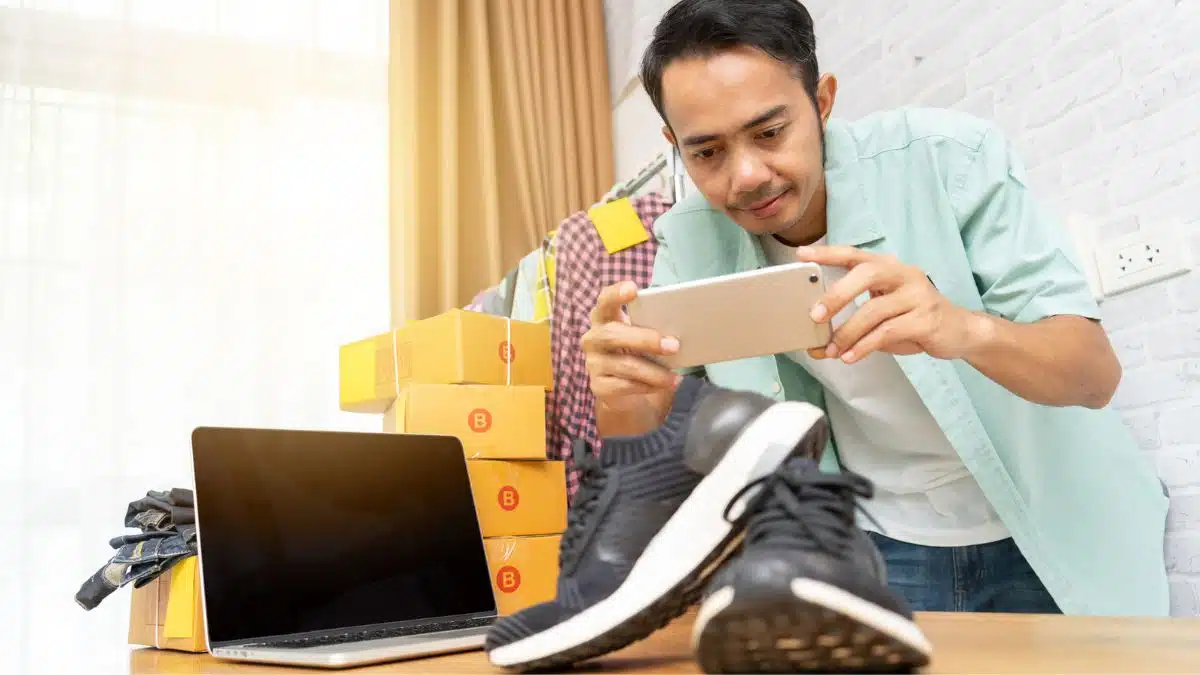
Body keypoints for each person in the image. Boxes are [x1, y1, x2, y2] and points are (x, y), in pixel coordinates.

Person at [582, 0, 1169, 616]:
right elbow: (646, 451)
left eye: (770, 133)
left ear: (823, 101)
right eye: (707, 153)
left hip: (1058, 519)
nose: (747, 175)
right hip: (884, 544)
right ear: (675, 146)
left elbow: (1094, 376)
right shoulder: (689, 236)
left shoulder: (948, 158)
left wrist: (961, 328)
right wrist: (622, 393)